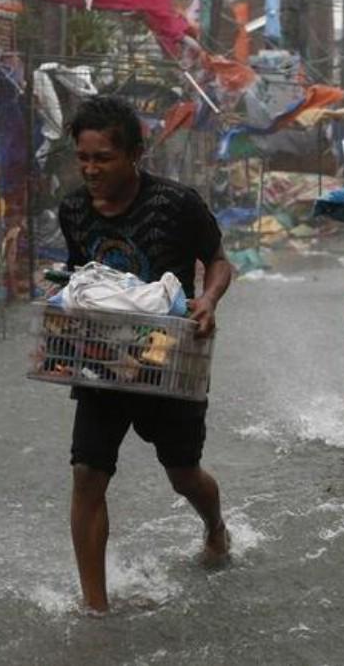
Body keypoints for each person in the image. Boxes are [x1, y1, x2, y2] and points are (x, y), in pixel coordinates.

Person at [57, 96, 232, 613]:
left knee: (183, 475)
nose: (90, 169)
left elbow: (219, 261)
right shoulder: (72, 209)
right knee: (88, 474)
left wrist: (207, 299)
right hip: (103, 359)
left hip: (169, 358)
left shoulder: (177, 204)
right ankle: (96, 607)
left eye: (103, 158)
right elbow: (78, 277)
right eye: (83, 158)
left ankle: (215, 527)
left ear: (135, 154)